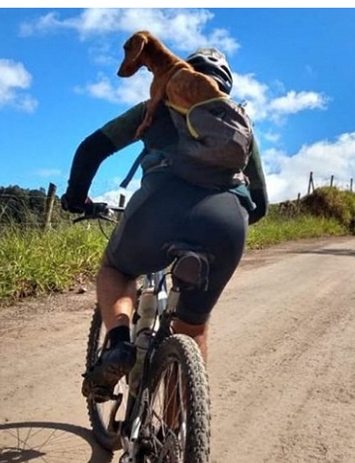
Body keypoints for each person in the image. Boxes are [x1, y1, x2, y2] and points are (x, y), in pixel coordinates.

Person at [60, 48, 268, 401]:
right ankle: (176, 440)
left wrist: (76, 197)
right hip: (226, 218)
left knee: (117, 270)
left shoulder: (155, 107)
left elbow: (91, 148)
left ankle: (119, 343)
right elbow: (260, 203)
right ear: (225, 87)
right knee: (192, 326)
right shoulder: (237, 123)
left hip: (160, 204)